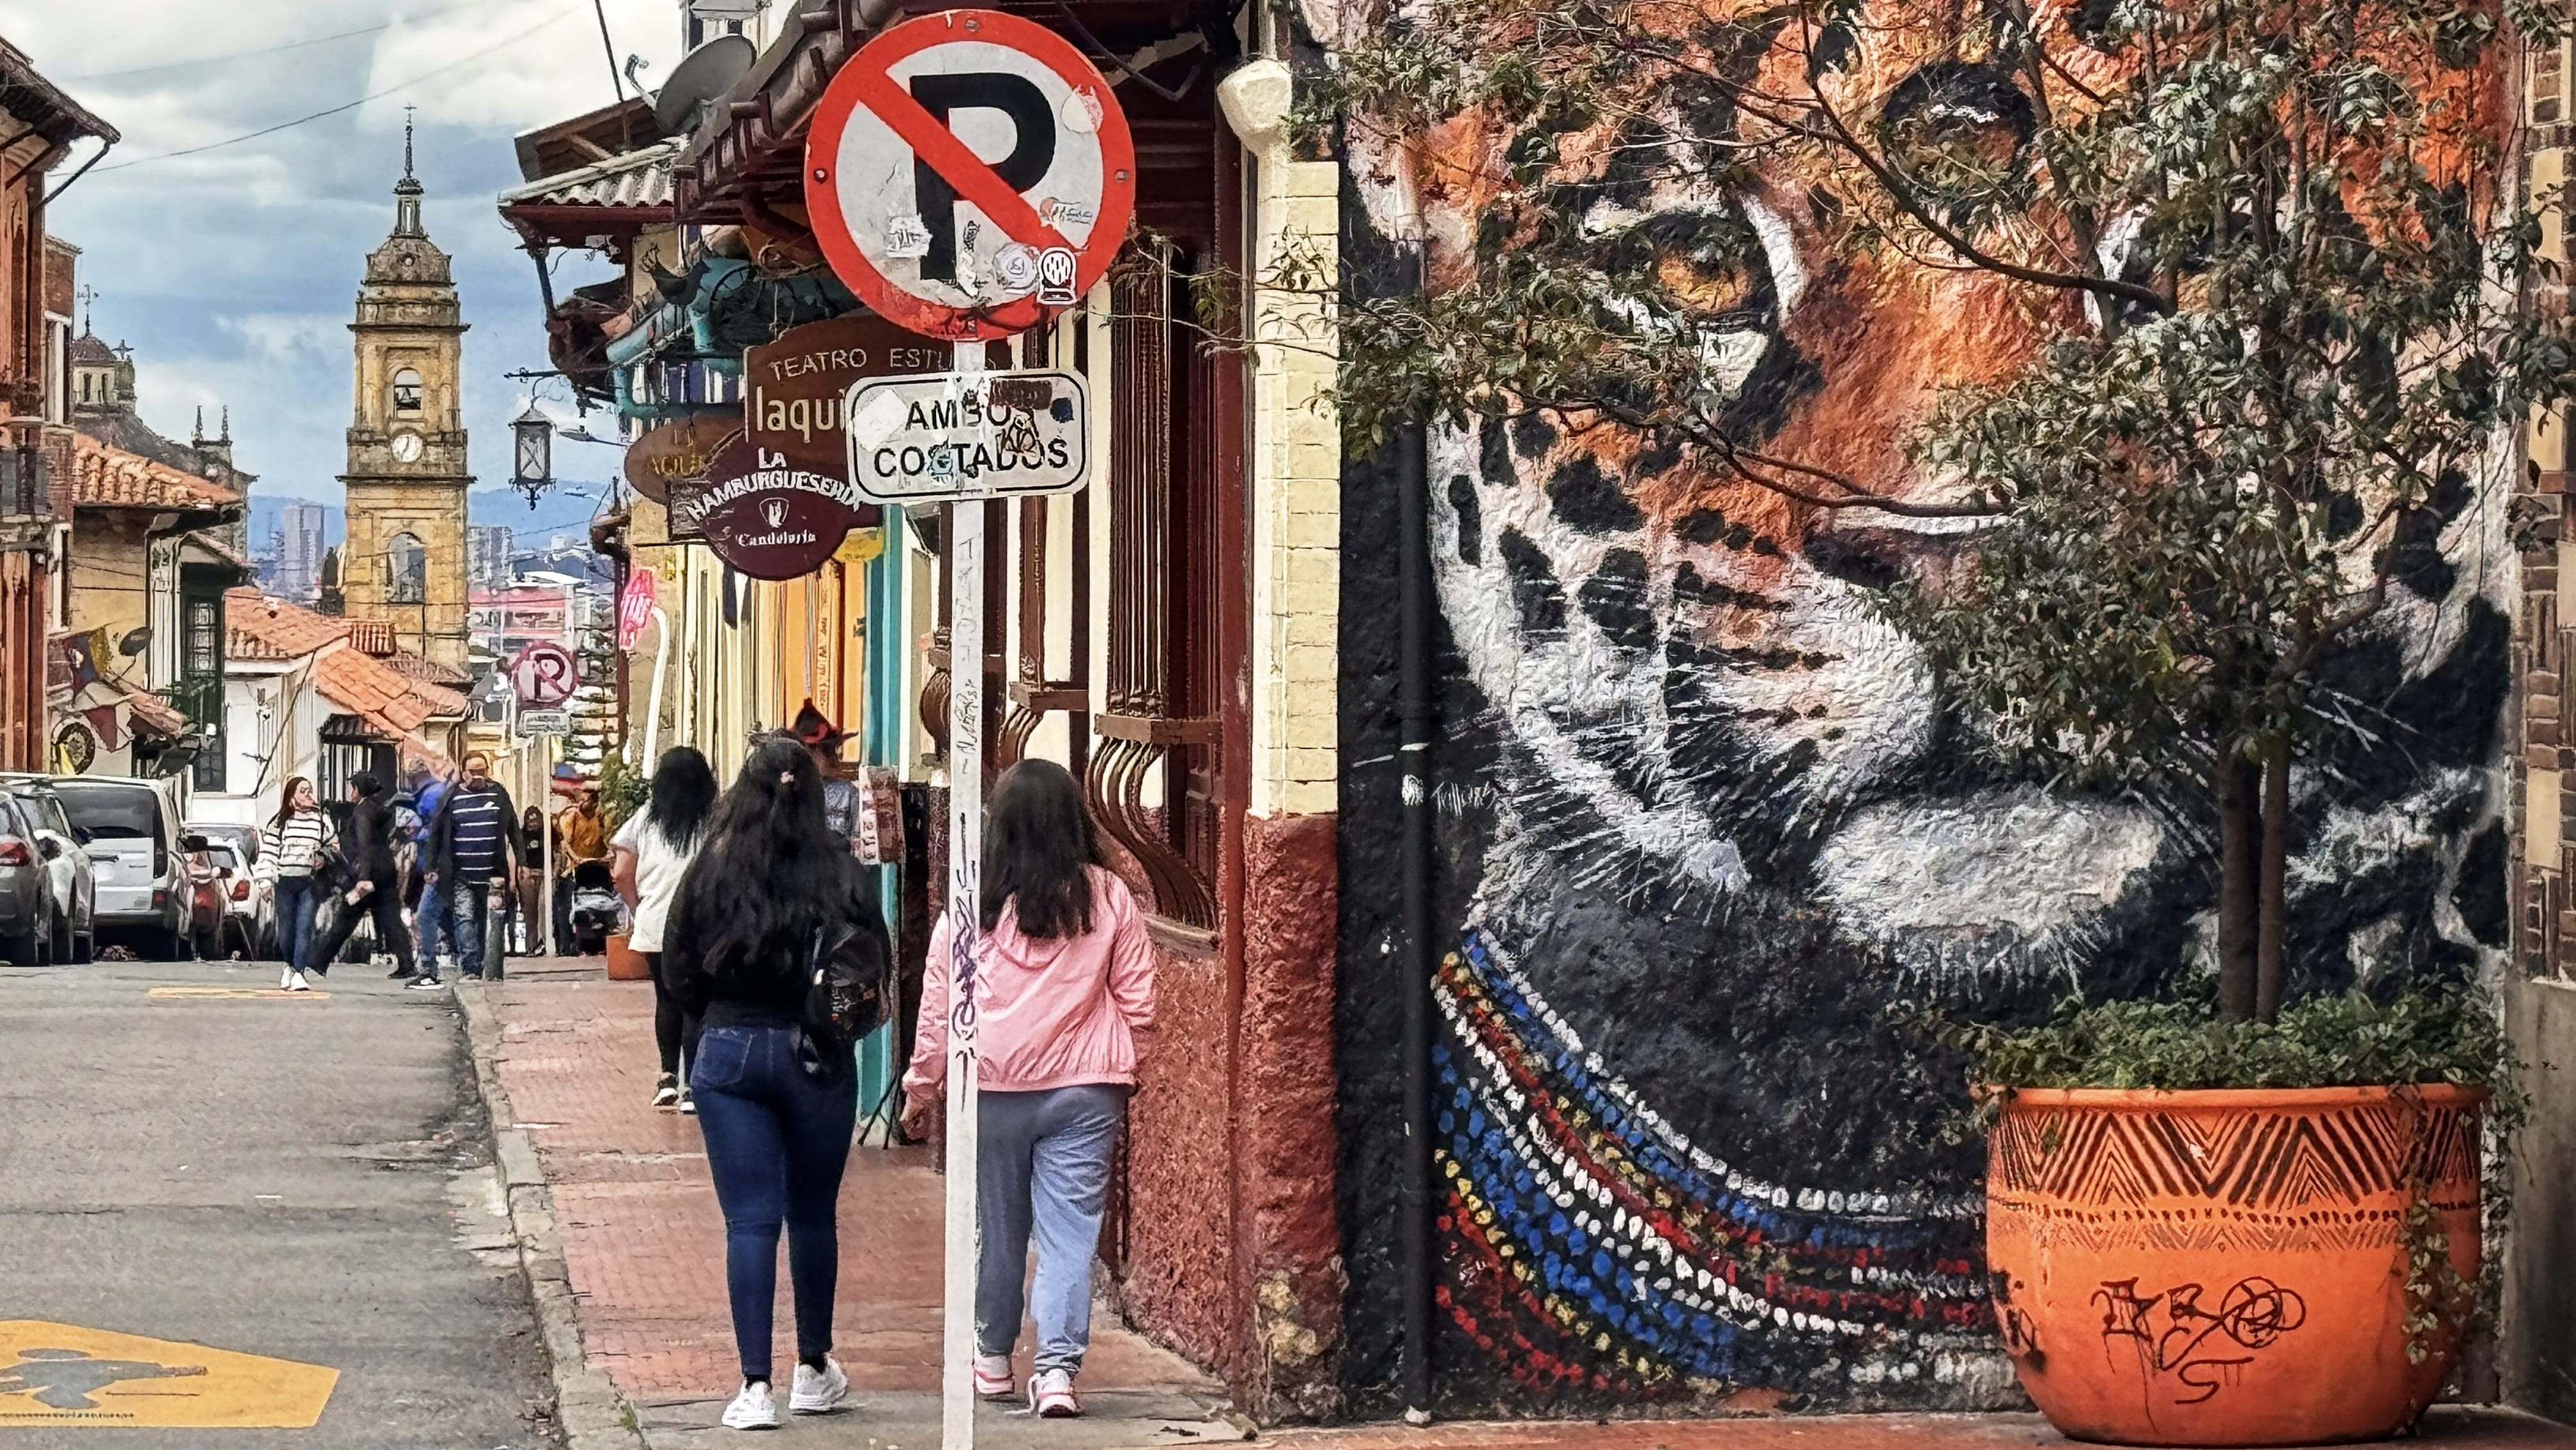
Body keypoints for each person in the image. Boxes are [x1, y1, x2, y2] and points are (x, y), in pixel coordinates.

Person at [900, 759, 1154, 1420]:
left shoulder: (969, 903)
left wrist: (921, 1086)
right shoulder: (1110, 897)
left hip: (990, 1088)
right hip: (1085, 1092)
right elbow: (1139, 1001)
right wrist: (1124, 1064)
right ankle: (1058, 1371)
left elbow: (940, 1007)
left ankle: (990, 1359)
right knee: (1071, 1236)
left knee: (1000, 1228)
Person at [663, 738, 889, 1431]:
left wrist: (716, 1021)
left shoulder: (711, 870)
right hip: (816, 1056)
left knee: (750, 1220)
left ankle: (754, 1385)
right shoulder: (843, 874)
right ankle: (814, 1366)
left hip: (729, 1055)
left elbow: (678, 970)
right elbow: (873, 963)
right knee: (812, 1214)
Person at [612, 747, 717, 1111]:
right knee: (696, 1003)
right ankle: (693, 1088)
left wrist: (637, 906)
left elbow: (621, 871)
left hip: (656, 923)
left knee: (666, 997)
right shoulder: (715, 820)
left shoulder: (646, 819)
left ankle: (667, 1078)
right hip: (702, 925)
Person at [300, 772, 420, 988]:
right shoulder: (376, 808)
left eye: (353, 787)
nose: (351, 792)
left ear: (360, 790)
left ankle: (318, 961)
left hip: (368, 874)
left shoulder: (363, 812)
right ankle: (406, 963)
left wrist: (363, 878)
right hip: (385, 870)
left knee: (346, 916)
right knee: (391, 920)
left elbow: (364, 846)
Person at [427, 752, 524, 982]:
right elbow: (436, 833)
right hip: (461, 874)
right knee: (465, 918)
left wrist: (522, 862)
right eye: (474, 771)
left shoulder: (499, 794)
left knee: (488, 920)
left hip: (493, 875)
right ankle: (470, 967)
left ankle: (483, 964)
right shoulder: (451, 797)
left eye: (483, 771)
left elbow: (514, 829)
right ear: (464, 772)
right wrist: (430, 866)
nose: (479, 776)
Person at [256, 777, 336, 992]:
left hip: (310, 882)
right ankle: (289, 966)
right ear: (292, 797)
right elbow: (268, 852)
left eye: (310, 791)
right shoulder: (279, 822)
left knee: (305, 927)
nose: (309, 795)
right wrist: (264, 881)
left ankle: (299, 972)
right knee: (286, 931)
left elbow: (334, 846)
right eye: (303, 791)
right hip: (284, 882)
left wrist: (324, 858)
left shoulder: (321, 820)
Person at [788, 700, 860, 856]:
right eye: (826, 751)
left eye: (833, 751)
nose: (833, 758)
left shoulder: (848, 793)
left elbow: (859, 845)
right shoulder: (788, 792)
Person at [404, 763, 455, 976]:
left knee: (426, 915)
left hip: (436, 866)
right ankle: (464, 958)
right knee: (448, 915)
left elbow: (438, 830)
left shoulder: (431, 795)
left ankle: (428, 967)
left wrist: (416, 833)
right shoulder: (437, 791)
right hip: (439, 864)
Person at [558, 788, 609, 953]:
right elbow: (565, 844)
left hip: (597, 868)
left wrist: (607, 856)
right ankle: (573, 944)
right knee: (575, 907)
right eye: (581, 799)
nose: (581, 803)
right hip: (576, 868)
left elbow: (607, 839)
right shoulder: (573, 817)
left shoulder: (600, 818)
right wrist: (576, 859)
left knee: (601, 902)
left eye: (586, 800)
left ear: (594, 803)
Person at [516, 805, 548, 955]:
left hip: (544, 874)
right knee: (530, 911)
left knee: (543, 909)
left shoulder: (547, 833)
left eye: (536, 819)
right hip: (527, 875)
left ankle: (543, 942)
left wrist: (554, 872)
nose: (533, 823)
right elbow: (517, 857)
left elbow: (556, 851)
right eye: (531, 819)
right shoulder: (521, 835)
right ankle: (531, 945)